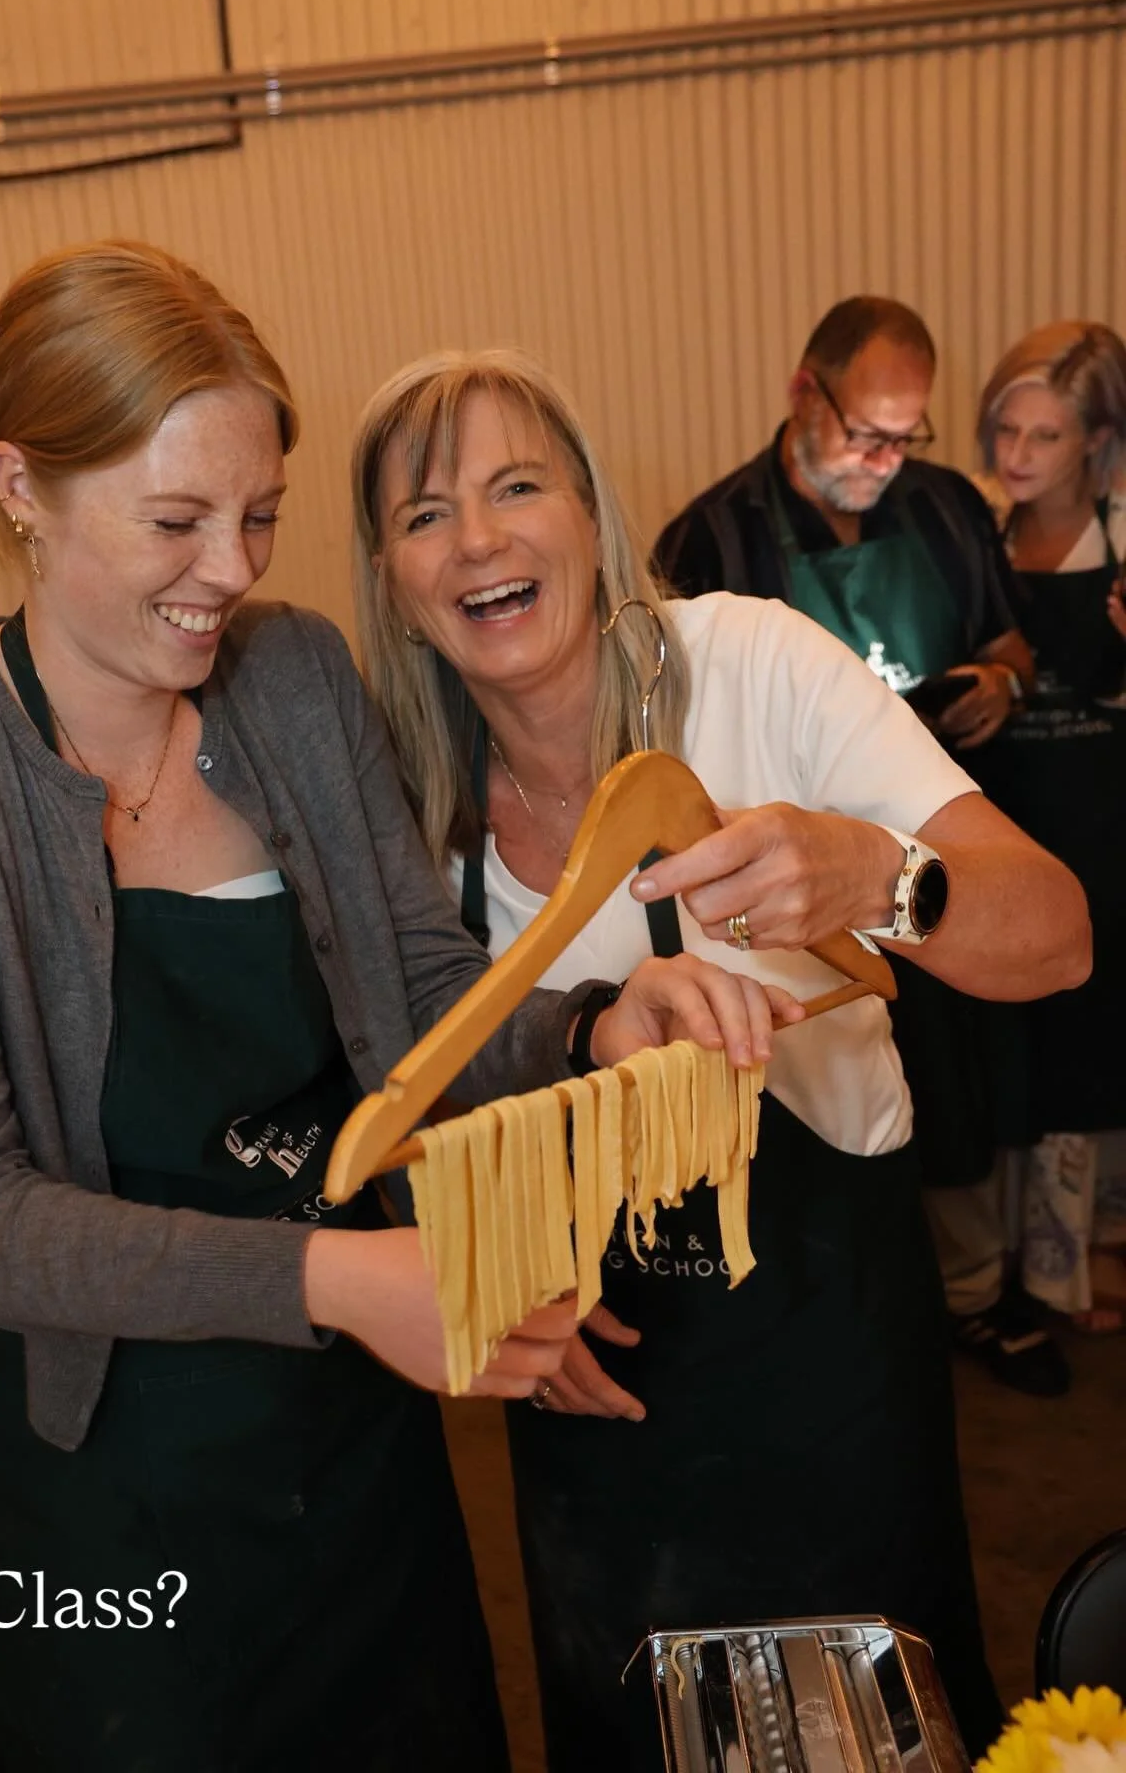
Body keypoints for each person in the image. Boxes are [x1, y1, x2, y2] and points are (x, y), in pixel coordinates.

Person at [0, 242, 710, 1773]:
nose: (234, 570)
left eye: (260, 514)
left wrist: (589, 1029)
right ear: (20, 484)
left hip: (353, 1453)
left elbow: (417, 986)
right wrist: (354, 1289)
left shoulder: (288, 678)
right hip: (111, 1490)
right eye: (176, 521)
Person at [350, 348, 1091, 1773]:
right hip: (594, 1431)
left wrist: (878, 872)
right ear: (389, 577)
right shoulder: (401, 803)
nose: (482, 539)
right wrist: (491, 1275)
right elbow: (393, 1109)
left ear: (594, 516)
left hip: (828, 1382)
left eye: (519, 486)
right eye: (424, 514)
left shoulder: (752, 665)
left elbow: (1054, 936)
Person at [654, 296, 1073, 1397]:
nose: (884, 462)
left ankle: (977, 1291)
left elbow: (1012, 638)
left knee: (968, 1076)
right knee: (822, 1089)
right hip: (784, 899)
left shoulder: (943, 511)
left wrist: (1003, 682)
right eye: (864, 434)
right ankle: (858, 1304)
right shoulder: (712, 540)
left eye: (906, 438)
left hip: (937, 849)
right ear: (805, 393)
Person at [965, 322, 1126, 1329]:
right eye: (1004, 430)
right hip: (1003, 810)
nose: (1016, 456)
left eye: (1047, 437)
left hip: (1106, 822)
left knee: (1092, 1038)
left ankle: (1077, 1264)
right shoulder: (971, 525)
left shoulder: (1123, 530)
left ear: (1099, 440)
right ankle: (1017, 1264)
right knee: (1007, 1039)